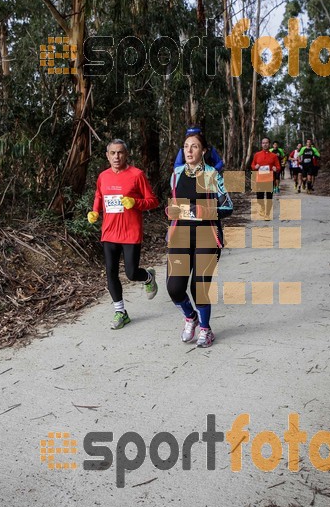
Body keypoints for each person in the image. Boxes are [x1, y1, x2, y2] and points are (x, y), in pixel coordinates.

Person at [166, 132, 230, 348]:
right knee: (174, 288)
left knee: (199, 287)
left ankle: (205, 329)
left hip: (207, 237)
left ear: (203, 151)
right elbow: (175, 204)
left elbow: (228, 206)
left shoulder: (213, 174)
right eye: (186, 147)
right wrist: (172, 210)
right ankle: (190, 317)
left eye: (194, 147)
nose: (189, 151)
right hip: (180, 236)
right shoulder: (175, 174)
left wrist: (201, 210)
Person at [88, 139, 159, 329]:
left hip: (130, 232)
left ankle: (147, 277)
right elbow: (99, 196)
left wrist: (136, 203)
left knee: (131, 273)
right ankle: (120, 312)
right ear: (107, 155)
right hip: (109, 232)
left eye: (120, 153)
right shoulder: (103, 176)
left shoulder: (137, 175)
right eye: (113, 153)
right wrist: (95, 211)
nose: (116, 157)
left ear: (126, 154)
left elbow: (153, 201)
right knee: (110, 273)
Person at [251, 137, 281, 219]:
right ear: (261, 144)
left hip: (270, 179)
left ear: (269, 144)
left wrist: (276, 169)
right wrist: (255, 167)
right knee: (259, 197)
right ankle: (262, 208)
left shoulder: (274, 156)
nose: (265, 144)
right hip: (260, 179)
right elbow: (252, 165)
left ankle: (267, 214)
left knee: (269, 197)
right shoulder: (257, 155)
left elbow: (278, 167)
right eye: (263, 143)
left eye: (266, 143)